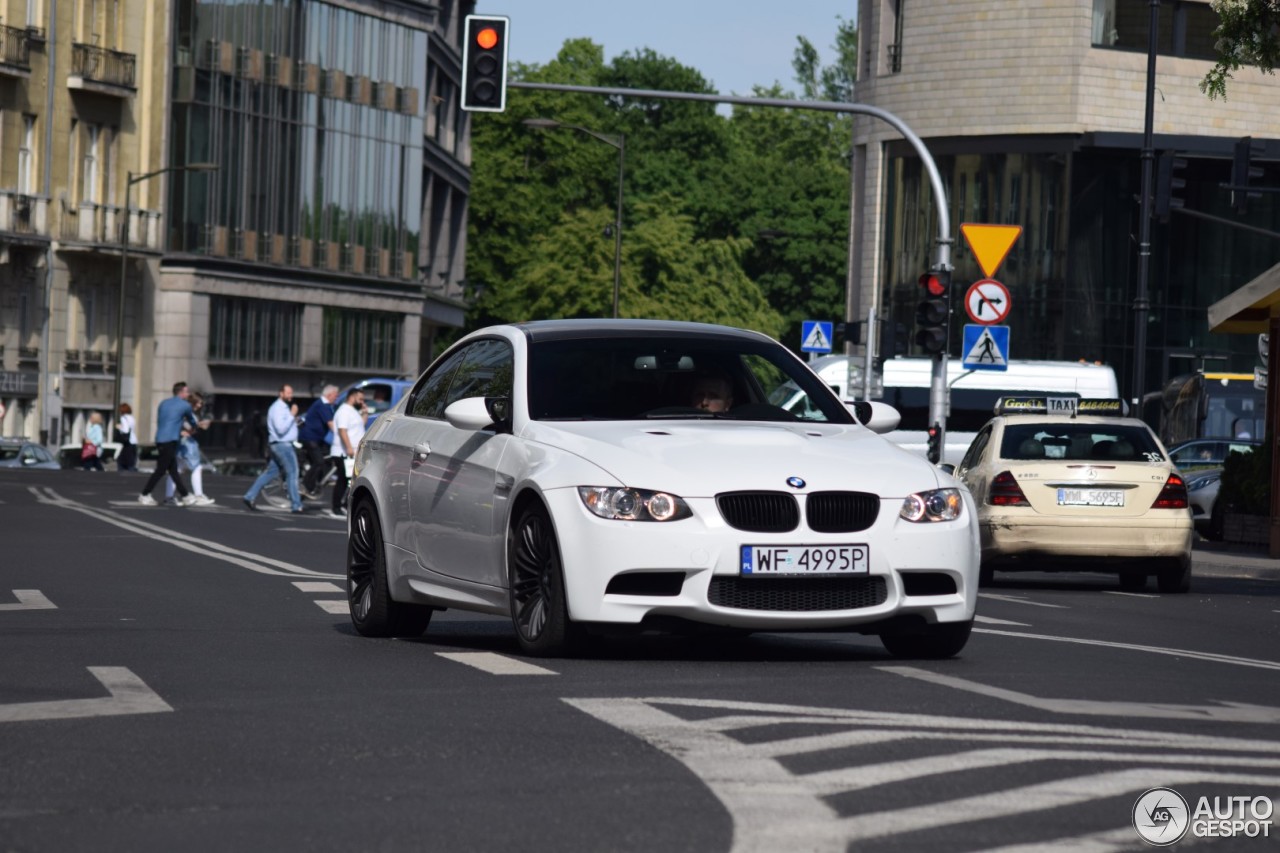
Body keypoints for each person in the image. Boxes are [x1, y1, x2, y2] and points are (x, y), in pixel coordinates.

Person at [138, 381, 203, 506]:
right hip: (171, 440)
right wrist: (196, 428)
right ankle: (145, 494)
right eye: (187, 391)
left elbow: (164, 420)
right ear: (182, 392)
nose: (188, 393)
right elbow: (191, 421)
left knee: (173, 470)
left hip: (160, 438)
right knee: (161, 470)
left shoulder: (163, 403)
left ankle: (185, 496)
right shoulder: (185, 406)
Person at [243, 384, 303, 513]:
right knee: (292, 472)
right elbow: (280, 429)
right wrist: (292, 415)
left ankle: (250, 496)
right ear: (281, 393)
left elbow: (285, 425)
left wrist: (295, 420)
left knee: (271, 472)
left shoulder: (283, 408)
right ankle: (296, 504)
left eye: (291, 393)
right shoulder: (277, 408)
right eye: (288, 393)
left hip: (280, 444)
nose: (291, 396)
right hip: (282, 444)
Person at [164, 392, 214, 505]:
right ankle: (199, 495)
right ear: (194, 402)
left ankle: (169, 496)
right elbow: (188, 426)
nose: (200, 405)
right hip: (187, 444)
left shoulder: (180, 411)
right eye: (199, 403)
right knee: (197, 467)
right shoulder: (187, 412)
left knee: (176, 470)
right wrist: (200, 425)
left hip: (178, 443)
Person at [329, 387, 368, 518]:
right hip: (343, 452)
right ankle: (336, 507)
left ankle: (345, 504)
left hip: (352, 451)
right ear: (352, 396)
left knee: (350, 480)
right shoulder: (344, 411)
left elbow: (360, 426)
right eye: (360, 398)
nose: (362, 401)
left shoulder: (353, 411)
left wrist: (365, 412)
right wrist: (349, 447)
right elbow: (342, 430)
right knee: (343, 479)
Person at [299, 384, 339, 499]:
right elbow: (331, 425)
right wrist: (343, 436)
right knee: (319, 462)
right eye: (335, 396)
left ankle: (315, 482)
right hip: (310, 438)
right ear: (329, 395)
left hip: (316, 438)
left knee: (323, 459)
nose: (336, 399)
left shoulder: (323, 404)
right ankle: (306, 486)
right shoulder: (323, 405)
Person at [115, 403, 138, 471]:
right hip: (133, 441)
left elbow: (125, 430)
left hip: (127, 442)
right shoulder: (132, 418)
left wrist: (119, 427)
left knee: (121, 462)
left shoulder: (123, 418)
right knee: (131, 462)